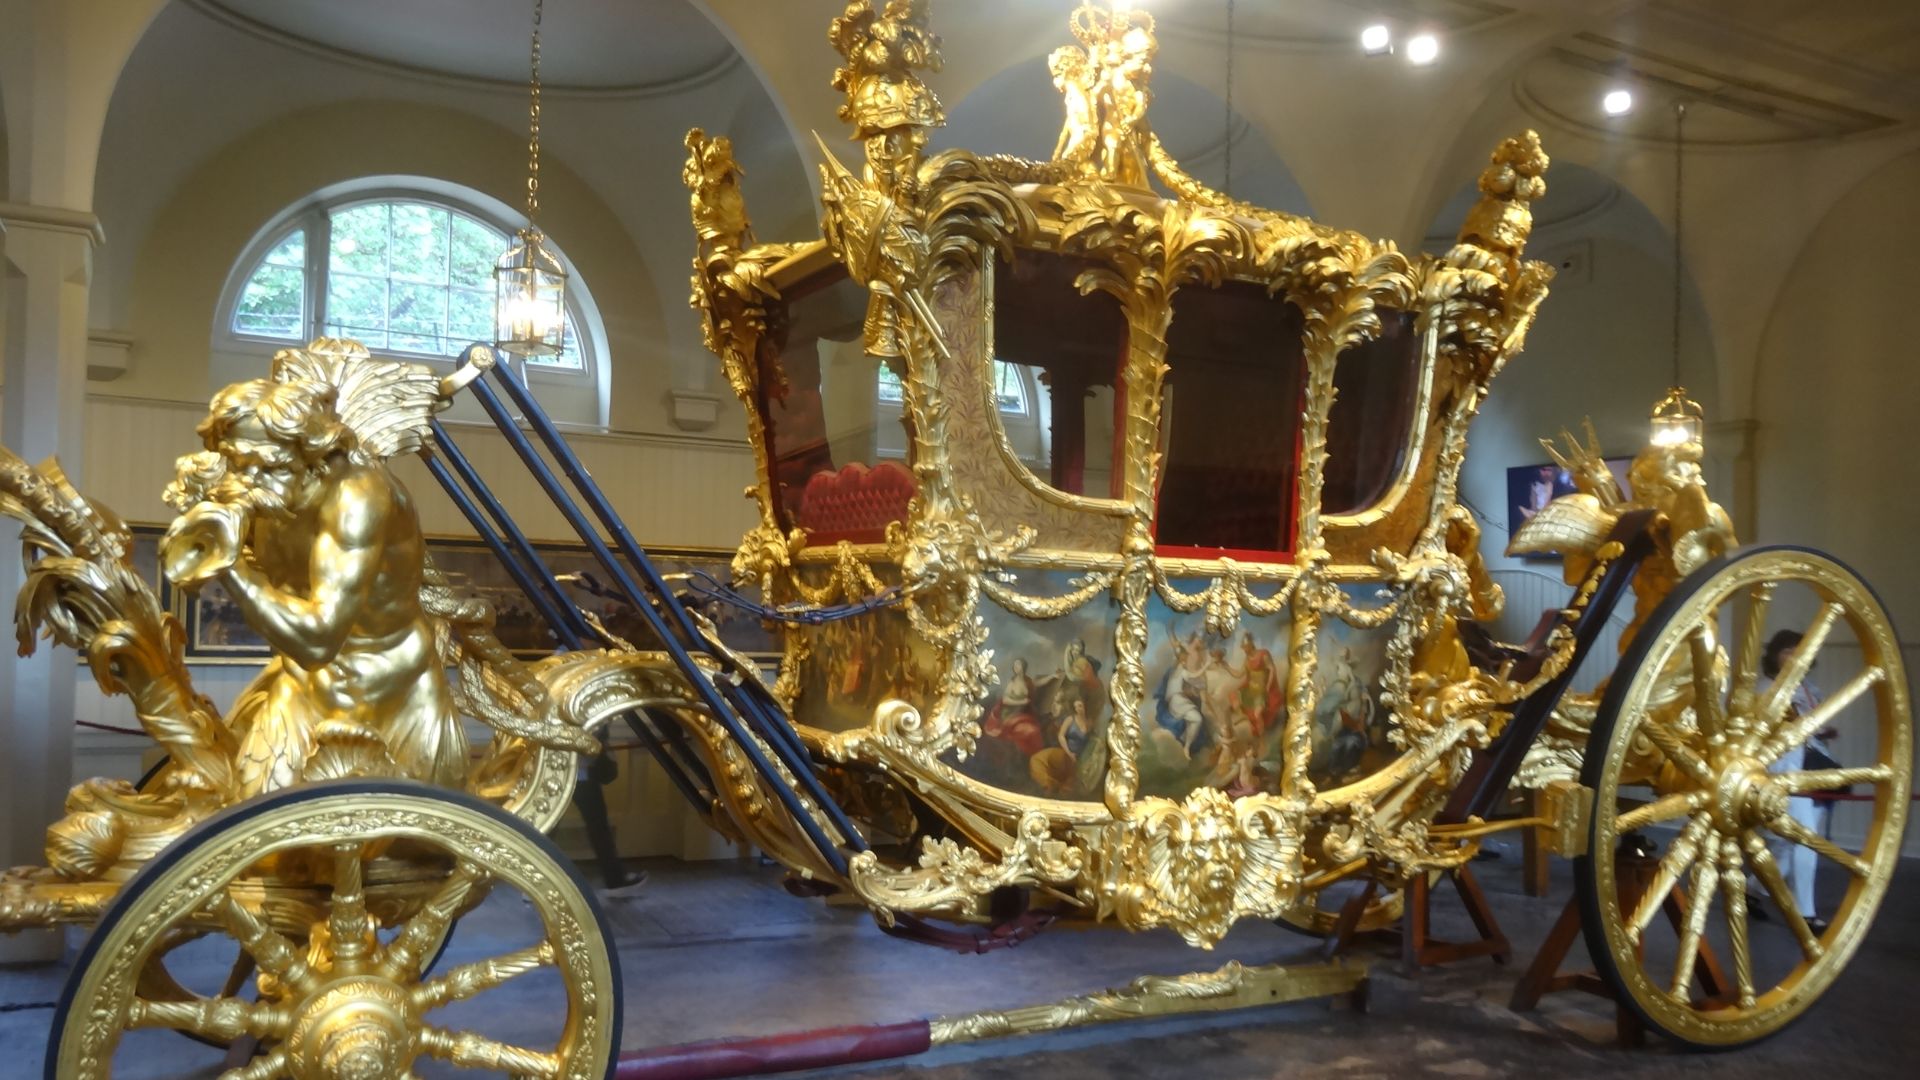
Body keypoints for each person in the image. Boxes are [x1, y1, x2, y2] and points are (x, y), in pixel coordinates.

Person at [162, 377, 466, 797]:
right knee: (259, 834)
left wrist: (227, 566)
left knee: (413, 848)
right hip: (303, 682)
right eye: (238, 463)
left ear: (311, 454)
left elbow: (320, 638)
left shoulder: (357, 499)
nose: (249, 479)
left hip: (389, 690)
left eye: (268, 465)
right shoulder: (259, 484)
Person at [1757, 629, 1833, 932]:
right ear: (1775, 654)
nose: (1794, 656)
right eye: (1788, 650)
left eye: (1800, 651)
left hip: (1814, 766)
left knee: (1791, 844)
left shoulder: (1809, 688)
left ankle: (1754, 888)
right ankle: (1805, 912)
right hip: (1784, 769)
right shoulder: (1766, 687)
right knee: (1805, 839)